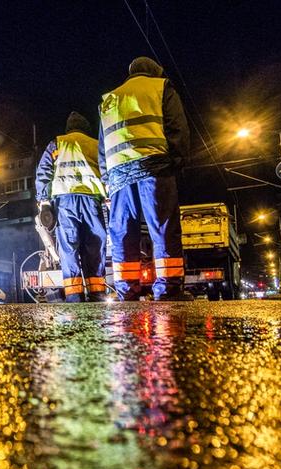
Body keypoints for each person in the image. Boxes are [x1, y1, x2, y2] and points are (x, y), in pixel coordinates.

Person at [98, 56, 191, 301]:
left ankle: (127, 290)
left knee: (122, 232)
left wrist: (107, 179)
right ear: (154, 71)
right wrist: (177, 160)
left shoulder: (109, 99)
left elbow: (102, 146)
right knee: (162, 226)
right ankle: (168, 289)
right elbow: (177, 127)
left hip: (118, 176)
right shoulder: (161, 87)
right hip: (154, 166)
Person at [36, 111, 108, 302]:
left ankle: (74, 296)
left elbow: (43, 172)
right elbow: (107, 170)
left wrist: (44, 202)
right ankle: (97, 293)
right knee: (95, 246)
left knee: (69, 249)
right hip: (91, 200)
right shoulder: (95, 144)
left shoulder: (57, 143)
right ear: (86, 128)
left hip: (65, 203)